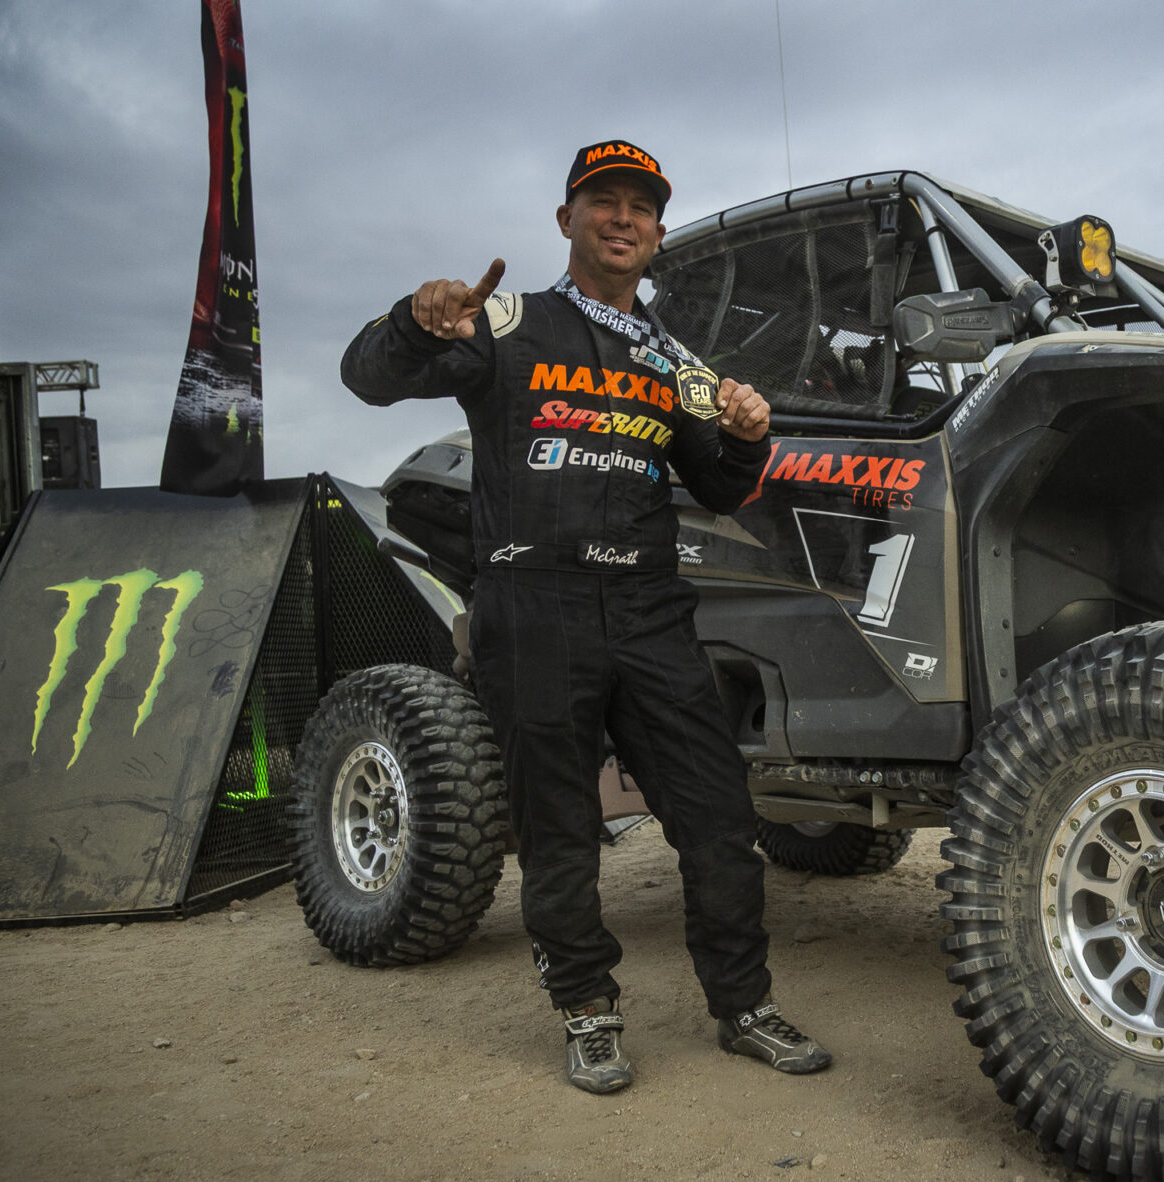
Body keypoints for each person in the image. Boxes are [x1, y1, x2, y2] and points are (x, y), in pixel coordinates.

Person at [340, 139, 829, 1093]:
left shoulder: (674, 360)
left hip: (649, 611)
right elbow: (369, 376)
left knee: (719, 818)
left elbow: (720, 488)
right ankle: (588, 1013)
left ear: (657, 234)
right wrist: (414, 320)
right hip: (535, 606)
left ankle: (744, 1006)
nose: (622, 219)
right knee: (560, 829)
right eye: (604, 201)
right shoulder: (505, 322)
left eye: (641, 207)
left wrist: (746, 438)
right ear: (567, 219)